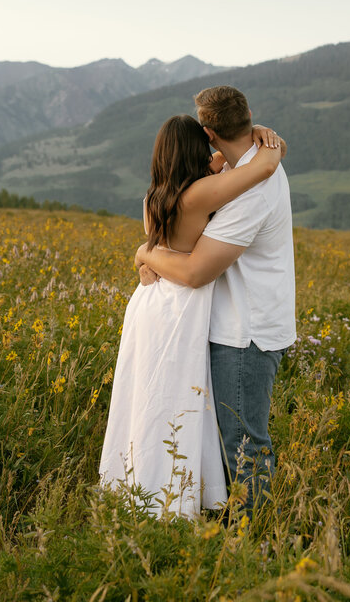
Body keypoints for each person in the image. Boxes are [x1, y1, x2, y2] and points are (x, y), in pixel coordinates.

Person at [98, 113, 286, 519]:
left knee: (146, 399)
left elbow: (220, 163)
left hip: (148, 304)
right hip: (180, 308)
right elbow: (263, 166)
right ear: (197, 147)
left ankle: (136, 488)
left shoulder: (153, 197)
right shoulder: (200, 194)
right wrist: (262, 137)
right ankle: (174, 501)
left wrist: (144, 252)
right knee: (179, 403)